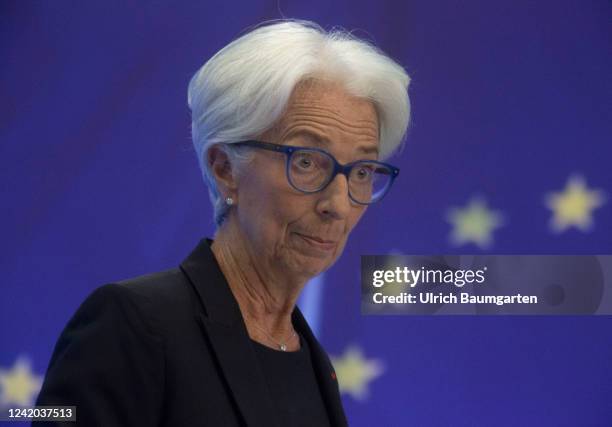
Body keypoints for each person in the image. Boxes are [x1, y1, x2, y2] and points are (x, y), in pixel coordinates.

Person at [35, 20, 410, 426]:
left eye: (362, 170)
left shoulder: (313, 363)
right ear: (225, 168)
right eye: (305, 162)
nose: (338, 204)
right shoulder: (132, 324)